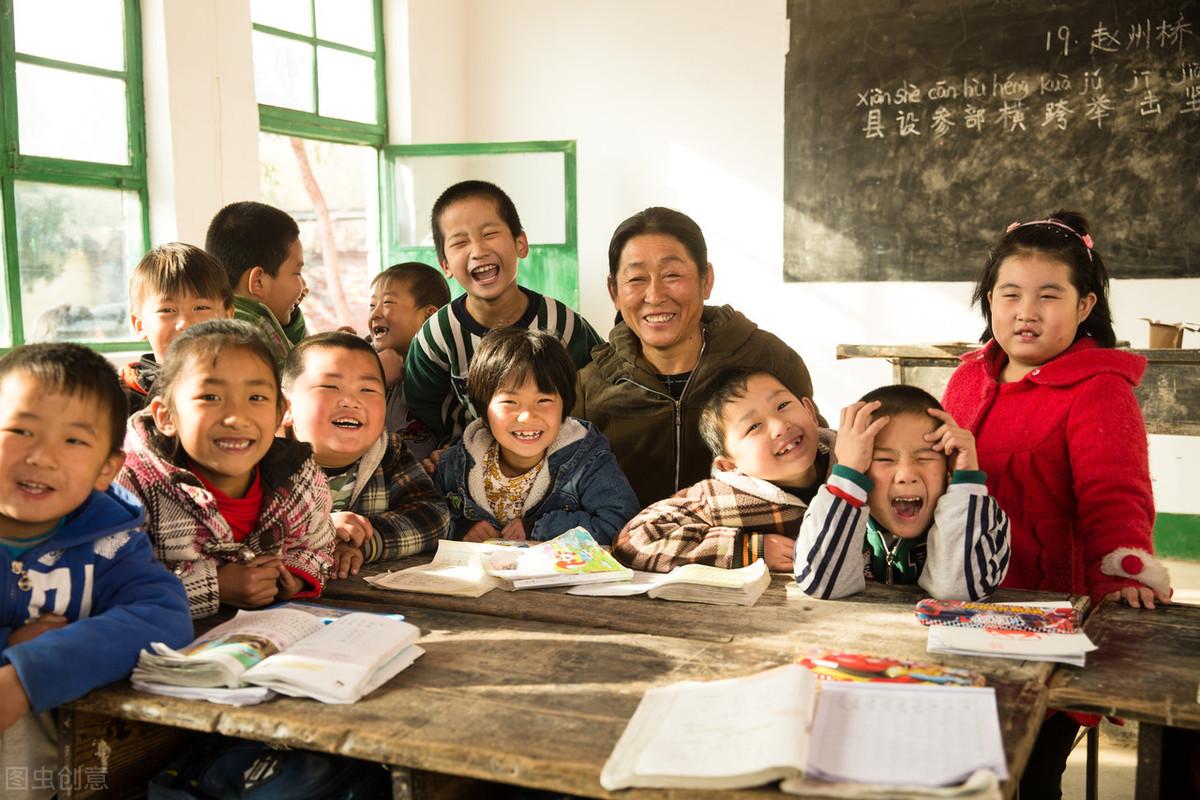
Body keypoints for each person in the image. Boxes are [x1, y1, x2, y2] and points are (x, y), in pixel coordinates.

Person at [941, 211, 1173, 800]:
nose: (1026, 311)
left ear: (1085, 304)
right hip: (960, 605)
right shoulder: (968, 378)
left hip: (1046, 618)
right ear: (989, 299)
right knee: (957, 765)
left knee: (1028, 772)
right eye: (1010, 294)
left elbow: (1115, 495)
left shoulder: (1099, 389)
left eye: (1049, 295)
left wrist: (1122, 575)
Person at [0, 344, 191, 796]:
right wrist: (9, 643)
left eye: (73, 440)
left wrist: (28, 674)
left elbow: (163, 617)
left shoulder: (110, 540)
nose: (42, 456)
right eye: (21, 430)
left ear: (106, 468)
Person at [574, 207, 821, 507]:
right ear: (614, 291)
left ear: (706, 280)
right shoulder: (589, 388)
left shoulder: (767, 359)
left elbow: (814, 461)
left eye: (672, 275)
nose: (655, 295)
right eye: (636, 279)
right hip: (631, 537)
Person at [117, 320, 335, 619]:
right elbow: (112, 580)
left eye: (256, 398)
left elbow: (318, 545)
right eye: (210, 397)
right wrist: (214, 586)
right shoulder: (131, 486)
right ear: (166, 416)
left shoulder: (299, 479)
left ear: (279, 413)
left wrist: (293, 576)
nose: (236, 417)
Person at [404, 180, 603, 444]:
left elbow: (596, 389)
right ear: (445, 265)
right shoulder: (437, 335)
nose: (478, 250)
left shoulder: (562, 323)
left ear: (521, 243)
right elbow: (422, 404)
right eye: (460, 242)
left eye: (489, 234)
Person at [793, 385, 1010, 600]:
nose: (906, 474)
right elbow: (821, 585)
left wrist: (965, 482)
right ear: (861, 469)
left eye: (925, 458)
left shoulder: (979, 519)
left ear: (948, 468)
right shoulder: (830, 514)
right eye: (884, 459)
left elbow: (960, 593)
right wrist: (847, 475)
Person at [613, 368, 833, 572]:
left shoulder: (849, 457)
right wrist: (748, 549)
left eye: (782, 405)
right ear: (729, 465)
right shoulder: (719, 498)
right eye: (754, 426)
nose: (780, 426)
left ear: (810, 411)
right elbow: (632, 541)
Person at [434, 328, 639, 545]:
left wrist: (539, 528)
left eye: (543, 400)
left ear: (565, 405)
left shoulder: (588, 460)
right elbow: (429, 514)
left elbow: (620, 524)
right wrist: (460, 528)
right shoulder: (455, 464)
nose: (527, 416)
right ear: (484, 410)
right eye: (510, 402)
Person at [282, 332, 451, 579]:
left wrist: (365, 541)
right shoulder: (263, 459)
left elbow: (434, 515)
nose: (351, 401)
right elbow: (241, 530)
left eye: (367, 389)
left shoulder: (388, 451)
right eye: (330, 386)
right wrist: (320, 530)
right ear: (285, 407)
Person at [122, 243, 235, 413]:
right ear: (139, 324)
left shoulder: (246, 386)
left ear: (227, 317)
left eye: (201, 308)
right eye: (167, 310)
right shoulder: (119, 399)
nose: (185, 324)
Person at [205, 201, 308, 367]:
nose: (303, 285)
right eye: (297, 273)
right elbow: (294, 377)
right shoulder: (248, 335)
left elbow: (293, 356)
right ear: (258, 282)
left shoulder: (248, 319)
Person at [367, 262, 450, 461]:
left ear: (429, 316)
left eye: (387, 303)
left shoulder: (446, 369)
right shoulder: (363, 362)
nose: (375, 314)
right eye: (372, 305)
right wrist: (376, 374)